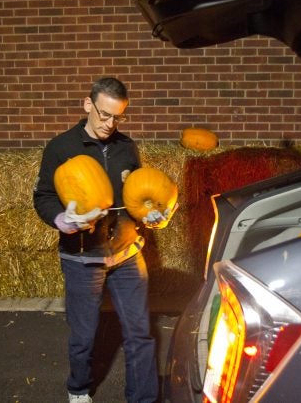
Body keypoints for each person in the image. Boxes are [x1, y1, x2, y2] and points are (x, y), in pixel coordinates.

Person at [33, 77, 173, 403]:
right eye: (104, 115)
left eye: (118, 117)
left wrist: (154, 216)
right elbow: (43, 197)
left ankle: (143, 398)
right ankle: (79, 389)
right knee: (84, 335)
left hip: (126, 253)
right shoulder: (60, 147)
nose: (110, 124)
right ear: (87, 105)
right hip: (83, 257)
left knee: (140, 333)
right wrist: (62, 220)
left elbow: (138, 194)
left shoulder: (126, 147)